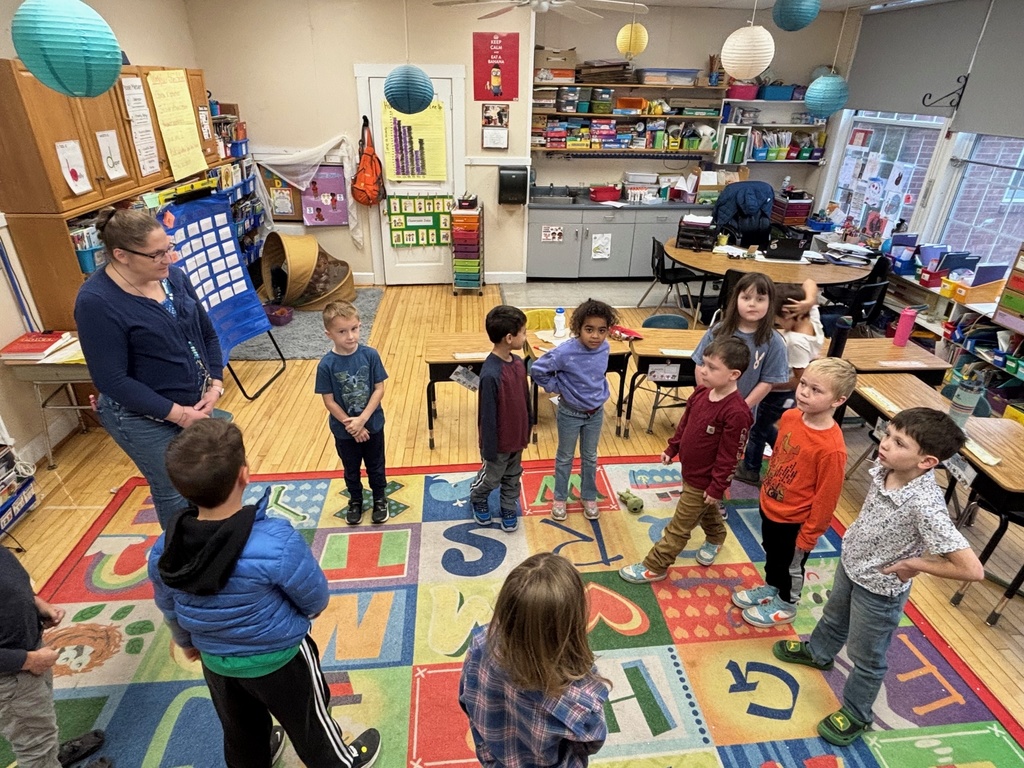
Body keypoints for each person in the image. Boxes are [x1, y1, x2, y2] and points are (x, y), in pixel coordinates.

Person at [149, 419, 381, 768]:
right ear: (244, 475)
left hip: (216, 660)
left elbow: (168, 605)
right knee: (311, 726)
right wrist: (308, 613)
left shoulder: (164, 548)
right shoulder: (275, 539)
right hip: (281, 658)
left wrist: (186, 641)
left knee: (240, 732)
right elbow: (314, 596)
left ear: (179, 487)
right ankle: (339, 761)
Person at [772, 408, 984, 747]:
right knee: (833, 615)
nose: (884, 444)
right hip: (852, 563)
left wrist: (917, 564)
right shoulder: (885, 467)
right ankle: (820, 653)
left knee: (866, 654)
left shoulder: (925, 504)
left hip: (881, 588)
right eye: (887, 434)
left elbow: (972, 569)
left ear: (927, 462)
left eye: (898, 442)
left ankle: (857, 712)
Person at [75, 207, 224, 529]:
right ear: (121, 255)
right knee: (172, 488)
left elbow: (207, 334)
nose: (168, 259)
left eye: (169, 249)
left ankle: (209, 543)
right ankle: (182, 563)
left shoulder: (175, 279)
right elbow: (111, 379)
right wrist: (181, 415)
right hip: (139, 416)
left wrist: (215, 384)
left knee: (205, 479)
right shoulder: (96, 301)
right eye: (156, 254)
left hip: (193, 402)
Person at [732, 357, 857, 628]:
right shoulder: (790, 417)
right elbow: (781, 457)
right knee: (773, 556)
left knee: (790, 564)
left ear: (838, 400)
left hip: (795, 522)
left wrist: (809, 536)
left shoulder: (832, 450)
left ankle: (786, 603)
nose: (804, 393)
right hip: (771, 506)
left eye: (816, 390)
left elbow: (826, 499)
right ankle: (772, 586)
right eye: (803, 384)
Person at [619, 336, 753, 583]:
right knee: (704, 508)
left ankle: (655, 565)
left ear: (734, 374)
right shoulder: (702, 392)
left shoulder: (736, 412)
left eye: (712, 368)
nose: (703, 370)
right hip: (690, 471)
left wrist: (716, 486)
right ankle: (715, 537)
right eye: (704, 364)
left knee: (680, 526)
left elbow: (731, 456)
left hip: (705, 479)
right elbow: (686, 424)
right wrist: (673, 448)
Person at [459, 553, 609, 767]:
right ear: (571, 622)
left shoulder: (482, 642)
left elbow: (466, 697)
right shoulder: (576, 696)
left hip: (495, 759)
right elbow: (592, 741)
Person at [0, 547, 110, 768]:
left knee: (40, 724)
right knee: (33, 746)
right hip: (11, 672)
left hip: (27, 653)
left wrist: (36, 604)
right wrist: (28, 660)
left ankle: (50, 758)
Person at [530, 300, 618, 522]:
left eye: (601, 330)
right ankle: (560, 497)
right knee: (565, 457)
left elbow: (596, 375)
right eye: (589, 330)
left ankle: (588, 496)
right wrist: (557, 388)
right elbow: (537, 370)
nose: (595, 336)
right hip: (570, 413)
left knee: (590, 457)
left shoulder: (605, 348)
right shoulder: (565, 352)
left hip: (595, 412)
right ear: (578, 328)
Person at [736, 282, 826, 486]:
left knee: (758, 429)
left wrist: (766, 382)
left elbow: (800, 381)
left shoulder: (795, 342)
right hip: (779, 394)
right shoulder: (810, 315)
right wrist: (809, 301)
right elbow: (809, 282)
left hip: (780, 394)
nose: (775, 324)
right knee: (768, 427)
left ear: (787, 313)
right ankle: (791, 459)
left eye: (776, 320)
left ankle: (750, 470)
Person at [315, 301, 389, 525]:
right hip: (344, 431)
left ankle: (379, 498)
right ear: (329, 334)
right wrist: (352, 426)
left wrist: (363, 420)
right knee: (351, 468)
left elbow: (379, 388)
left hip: (373, 424)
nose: (350, 336)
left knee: (376, 465)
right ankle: (355, 499)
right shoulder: (326, 365)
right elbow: (329, 401)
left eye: (354, 329)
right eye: (342, 331)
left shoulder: (370, 355)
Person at [470, 305, 531, 532]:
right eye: (523, 332)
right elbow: (486, 415)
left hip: (517, 438)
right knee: (491, 478)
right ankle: (478, 497)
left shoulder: (517, 363)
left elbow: (525, 399)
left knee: (513, 476)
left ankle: (507, 506)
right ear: (509, 337)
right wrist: (489, 448)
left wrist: (528, 425)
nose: (525, 337)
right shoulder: (490, 373)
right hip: (497, 445)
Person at [692, 271, 789, 412]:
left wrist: (741, 408)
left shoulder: (774, 342)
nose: (752, 304)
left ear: (770, 303)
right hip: (708, 407)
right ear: (736, 299)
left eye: (760, 299)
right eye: (746, 298)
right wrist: (706, 398)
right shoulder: (718, 330)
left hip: (740, 413)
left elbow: (767, 382)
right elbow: (700, 365)